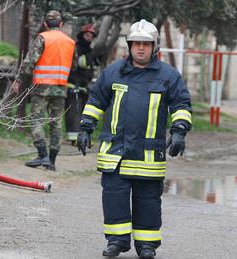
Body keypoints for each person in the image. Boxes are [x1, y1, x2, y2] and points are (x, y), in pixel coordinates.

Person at [77, 19, 192, 258]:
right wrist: (86, 127)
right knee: (114, 199)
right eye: (136, 43)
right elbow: (96, 101)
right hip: (115, 153)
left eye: (146, 44)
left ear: (155, 47)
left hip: (148, 156)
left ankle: (147, 245)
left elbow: (181, 104)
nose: (140, 48)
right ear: (129, 45)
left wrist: (179, 130)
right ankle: (116, 242)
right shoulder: (113, 72)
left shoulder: (168, 76)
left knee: (148, 201)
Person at [17, 10, 75, 171]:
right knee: (56, 123)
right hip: (61, 87)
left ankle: (42, 155)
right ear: (61, 24)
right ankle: (52, 161)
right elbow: (74, 65)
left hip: (42, 87)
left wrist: (19, 79)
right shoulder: (70, 42)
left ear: (45, 24)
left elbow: (30, 61)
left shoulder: (43, 37)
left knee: (36, 120)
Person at [64, 23, 96, 145]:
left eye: (91, 36)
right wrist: (92, 55)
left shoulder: (90, 50)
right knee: (74, 112)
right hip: (73, 85)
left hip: (84, 86)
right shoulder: (75, 48)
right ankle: (74, 138)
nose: (89, 38)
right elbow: (81, 63)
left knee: (85, 113)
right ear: (82, 35)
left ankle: (84, 138)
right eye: (87, 35)